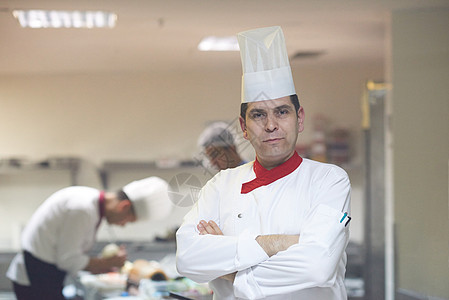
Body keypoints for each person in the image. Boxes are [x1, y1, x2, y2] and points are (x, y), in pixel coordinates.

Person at [176, 26, 351, 299]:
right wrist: (278, 243)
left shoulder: (329, 180)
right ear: (244, 128)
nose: (271, 125)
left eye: (282, 112)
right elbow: (187, 259)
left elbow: (316, 267)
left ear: (299, 118)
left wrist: (227, 265)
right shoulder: (221, 185)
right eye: (258, 115)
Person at [7, 176, 172, 300]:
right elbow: (68, 259)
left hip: (44, 275)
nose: (123, 225)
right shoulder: (82, 209)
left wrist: (103, 264)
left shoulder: (89, 201)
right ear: (124, 206)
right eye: (128, 220)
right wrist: (107, 263)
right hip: (35, 278)